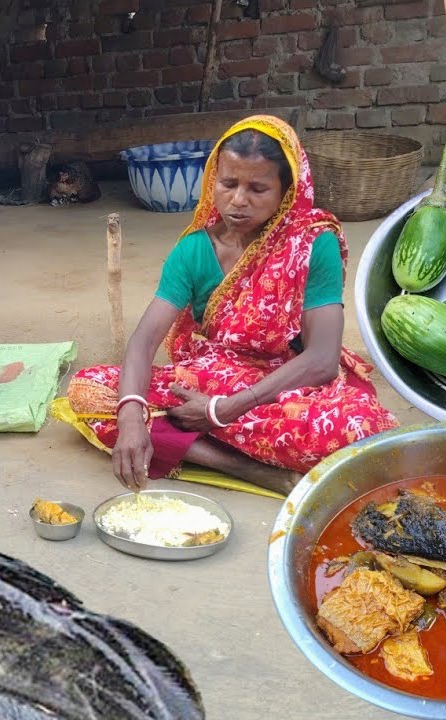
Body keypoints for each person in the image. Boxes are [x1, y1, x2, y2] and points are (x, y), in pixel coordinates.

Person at [64, 115, 398, 496]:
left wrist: (221, 410)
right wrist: (130, 418)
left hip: (285, 383)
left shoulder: (310, 244)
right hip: (208, 374)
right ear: (212, 181)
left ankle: (193, 440)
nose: (238, 200)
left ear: (286, 191)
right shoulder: (193, 249)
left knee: (360, 430)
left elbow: (321, 360)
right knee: (89, 391)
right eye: (228, 184)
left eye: (258, 188)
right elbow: (144, 341)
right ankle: (247, 467)